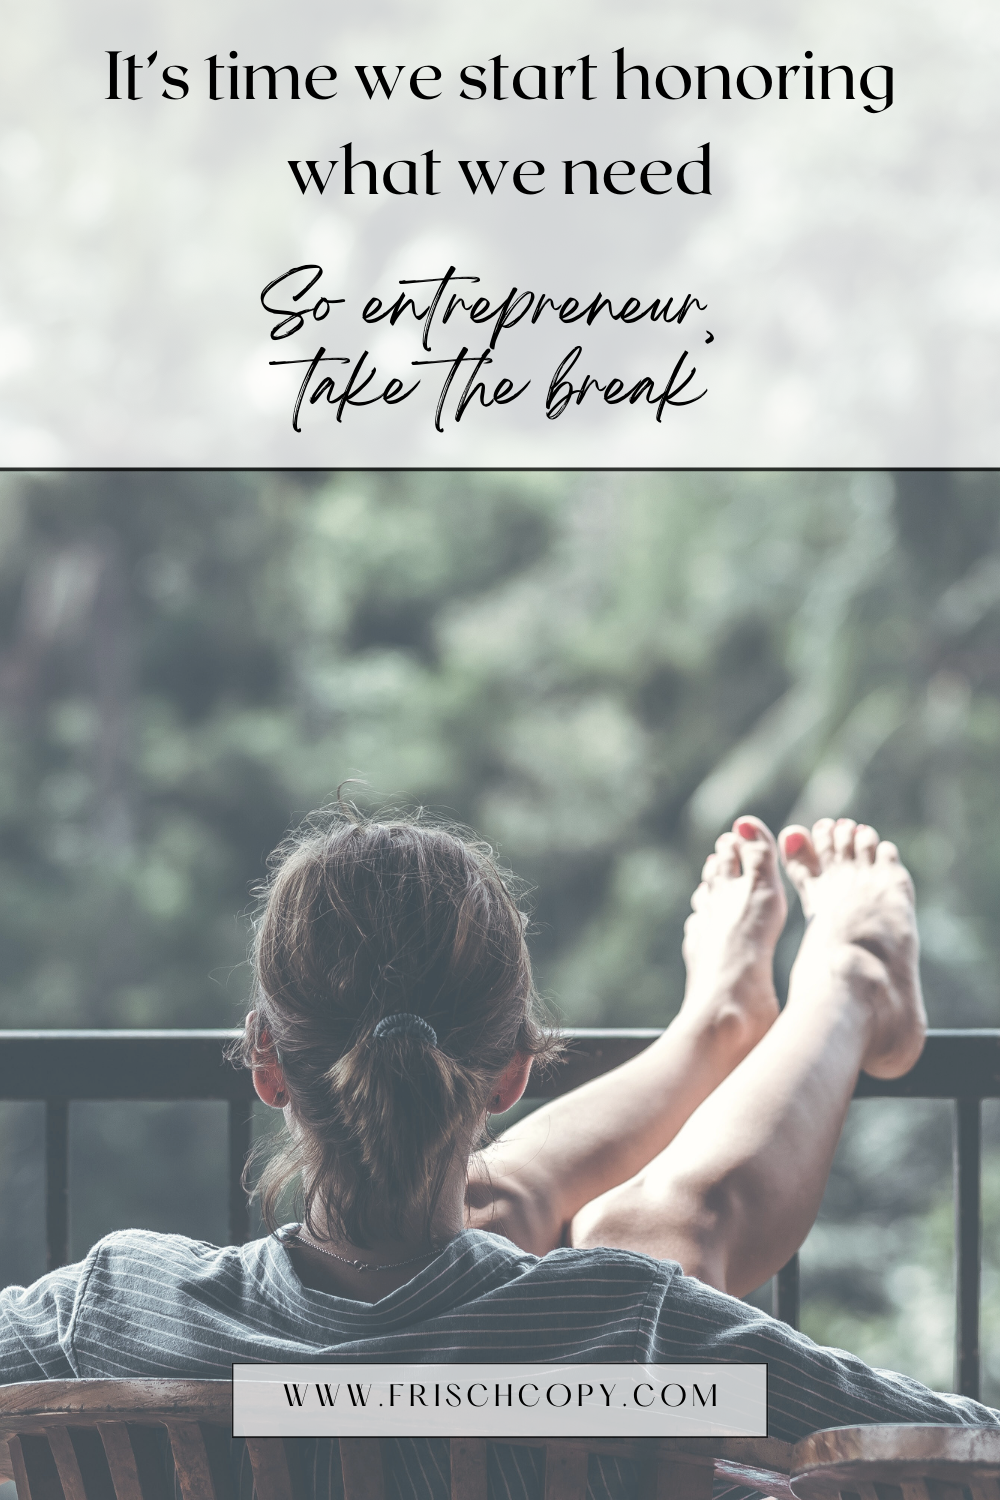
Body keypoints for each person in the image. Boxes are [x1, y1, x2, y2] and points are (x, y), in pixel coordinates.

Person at [0, 808, 996, 1500]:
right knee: (650, 1234)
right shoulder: (634, 1329)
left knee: (572, 1238)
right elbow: (962, 1447)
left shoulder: (113, 1312)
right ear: (514, 1073)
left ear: (266, 1063)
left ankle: (721, 1024)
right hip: (589, 1339)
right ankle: (838, 979)